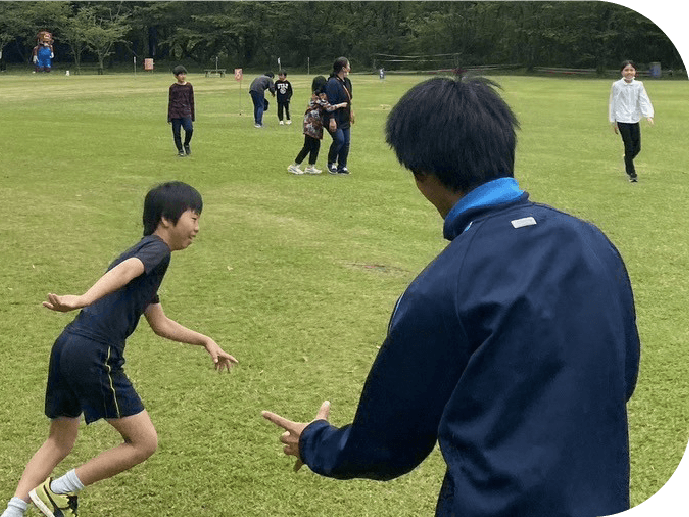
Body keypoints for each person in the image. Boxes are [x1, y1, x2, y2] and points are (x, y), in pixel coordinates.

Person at [263, 77, 640, 517]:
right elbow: (622, 373)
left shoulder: (444, 285)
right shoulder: (594, 243)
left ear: (421, 174)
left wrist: (315, 441)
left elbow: (389, 443)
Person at [0, 181, 238, 517]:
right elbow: (125, 272)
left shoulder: (143, 255)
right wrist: (83, 298)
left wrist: (205, 339)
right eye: (194, 217)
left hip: (69, 346)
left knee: (60, 440)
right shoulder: (157, 250)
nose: (197, 228)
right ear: (166, 220)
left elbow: (160, 323)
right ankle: (56, 492)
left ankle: (12, 512)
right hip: (96, 352)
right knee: (144, 443)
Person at [287, 76, 347, 175]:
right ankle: (294, 165)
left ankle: (311, 166)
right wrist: (341, 105)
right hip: (311, 125)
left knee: (316, 145)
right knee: (308, 146)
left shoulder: (316, 95)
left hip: (316, 125)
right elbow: (329, 107)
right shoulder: (318, 96)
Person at [609, 59, 655, 183]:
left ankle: (627, 159)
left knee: (637, 147)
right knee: (628, 147)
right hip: (622, 120)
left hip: (634, 119)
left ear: (635, 72)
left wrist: (648, 115)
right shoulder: (616, 85)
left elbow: (644, 100)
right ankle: (632, 174)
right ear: (622, 72)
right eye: (626, 70)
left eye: (631, 70)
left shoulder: (639, 85)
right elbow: (613, 103)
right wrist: (613, 121)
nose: (629, 72)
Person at [324, 57, 354, 175]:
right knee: (339, 140)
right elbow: (329, 102)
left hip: (344, 117)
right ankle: (331, 163)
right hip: (334, 117)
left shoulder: (347, 82)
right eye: (348, 65)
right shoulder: (332, 83)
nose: (349, 68)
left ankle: (342, 166)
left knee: (346, 142)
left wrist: (351, 112)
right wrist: (331, 119)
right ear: (343, 68)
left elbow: (349, 99)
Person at [168, 66, 195, 157]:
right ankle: (180, 150)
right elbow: (170, 101)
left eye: (184, 74)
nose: (183, 76)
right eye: (180, 74)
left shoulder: (189, 86)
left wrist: (192, 115)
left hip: (186, 111)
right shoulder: (173, 87)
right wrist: (169, 116)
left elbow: (191, 100)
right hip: (175, 112)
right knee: (177, 132)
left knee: (189, 129)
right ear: (176, 76)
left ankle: (186, 143)